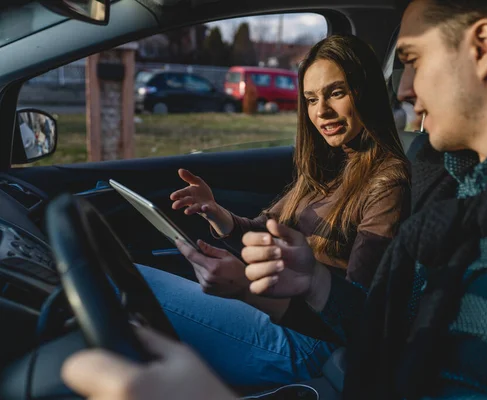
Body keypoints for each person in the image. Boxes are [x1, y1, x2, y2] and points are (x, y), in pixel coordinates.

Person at [63, 0, 487, 398]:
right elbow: (397, 329)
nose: (405, 88)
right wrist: (316, 284)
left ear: (482, 47)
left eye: (410, 59)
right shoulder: (470, 189)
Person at [133, 33, 410, 387]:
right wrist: (217, 214)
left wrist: (244, 289)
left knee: (124, 284)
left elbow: (359, 312)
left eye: (336, 93)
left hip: (307, 340)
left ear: (366, 92)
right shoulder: (330, 165)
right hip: (273, 309)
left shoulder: (387, 184)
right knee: (123, 274)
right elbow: (267, 227)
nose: (321, 111)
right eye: (311, 99)